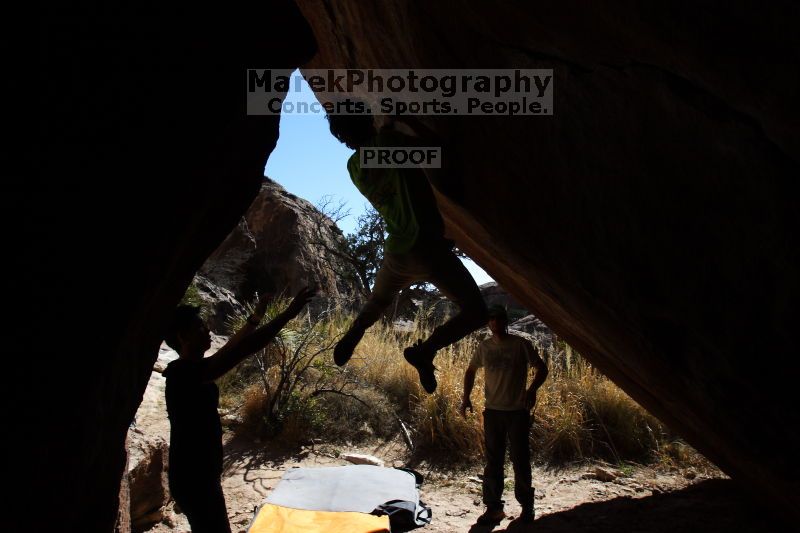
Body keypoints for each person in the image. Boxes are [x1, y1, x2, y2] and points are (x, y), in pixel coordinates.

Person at [327, 109, 487, 393]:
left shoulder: (354, 167)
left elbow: (380, 155)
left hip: (397, 253)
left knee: (378, 301)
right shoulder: (390, 143)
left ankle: (357, 330)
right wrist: (410, 122)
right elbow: (437, 152)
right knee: (476, 312)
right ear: (367, 122)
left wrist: (388, 129)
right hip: (427, 246)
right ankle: (426, 350)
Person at [162, 287, 315, 533]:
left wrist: (254, 319)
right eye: (200, 326)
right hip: (194, 478)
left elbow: (230, 349)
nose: (208, 330)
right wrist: (287, 314)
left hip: (200, 474)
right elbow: (242, 350)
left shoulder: (193, 368)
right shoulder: (181, 374)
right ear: (183, 337)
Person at [460, 305, 549, 526]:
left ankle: (527, 506)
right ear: (488, 323)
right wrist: (465, 398)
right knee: (493, 460)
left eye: (499, 319)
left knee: (520, 460)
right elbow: (470, 370)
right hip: (493, 412)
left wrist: (531, 390)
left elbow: (542, 368)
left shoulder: (520, 345)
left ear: (505, 321)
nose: (495, 323)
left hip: (517, 412)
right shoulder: (484, 347)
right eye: (491, 319)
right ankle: (493, 508)